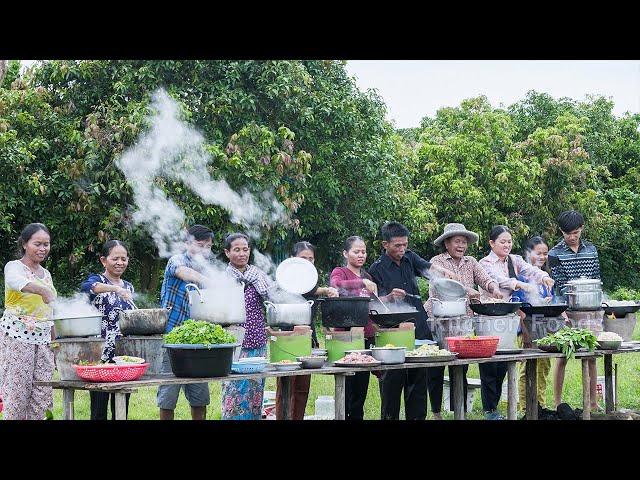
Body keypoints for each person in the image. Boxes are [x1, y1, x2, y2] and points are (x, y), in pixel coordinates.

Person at [368, 221, 456, 421]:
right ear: (385, 244)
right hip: (393, 331)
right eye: (397, 246)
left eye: (405, 245)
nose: (402, 249)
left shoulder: (410, 258)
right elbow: (375, 304)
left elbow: (428, 268)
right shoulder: (377, 268)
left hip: (418, 326)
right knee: (392, 382)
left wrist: (444, 272)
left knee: (418, 379)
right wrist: (390, 297)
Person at [424, 223, 502, 419]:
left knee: (461, 367)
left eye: (464, 242)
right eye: (457, 241)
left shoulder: (470, 262)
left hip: (464, 322)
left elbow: (485, 278)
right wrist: (468, 291)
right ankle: (435, 412)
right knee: (436, 367)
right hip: (439, 321)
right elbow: (441, 287)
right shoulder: (437, 261)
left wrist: (493, 287)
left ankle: (461, 412)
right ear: (447, 243)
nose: (461, 246)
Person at [478, 225, 554, 420]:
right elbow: (497, 280)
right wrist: (519, 284)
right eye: (502, 241)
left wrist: (544, 277)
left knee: (503, 363)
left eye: (509, 241)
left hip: (508, 318)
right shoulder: (485, 263)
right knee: (488, 365)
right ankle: (489, 410)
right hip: (488, 318)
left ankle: (496, 409)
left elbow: (531, 270)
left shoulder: (515, 260)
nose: (507, 245)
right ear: (491, 243)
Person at [275, 241, 338, 420]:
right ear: (294, 259)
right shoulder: (285, 277)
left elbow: (313, 291)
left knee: (302, 388)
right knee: (285, 386)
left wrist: (326, 291)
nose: (308, 262)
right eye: (304, 258)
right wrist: (325, 290)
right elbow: (303, 289)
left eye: (311, 258)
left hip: (309, 337)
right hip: (287, 338)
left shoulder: (312, 278)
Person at [157, 224, 214, 421]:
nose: (204, 250)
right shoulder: (177, 260)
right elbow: (185, 273)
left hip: (197, 339)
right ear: (188, 243)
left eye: (208, 246)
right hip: (172, 336)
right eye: (200, 245)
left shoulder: (206, 267)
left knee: (200, 395)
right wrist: (212, 281)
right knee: (168, 395)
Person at [0, 223, 57, 420]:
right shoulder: (14, 267)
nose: (43, 249)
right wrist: (41, 290)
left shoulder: (46, 274)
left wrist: (56, 341)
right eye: (38, 244)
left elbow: (49, 310)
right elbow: (15, 282)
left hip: (43, 341)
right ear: (25, 244)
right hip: (18, 339)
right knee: (17, 393)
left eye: (46, 244)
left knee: (42, 395)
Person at [547, 210, 601, 410]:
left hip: (590, 310)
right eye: (568, 233)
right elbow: (559, 285)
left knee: (591, 355)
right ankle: (558, 403)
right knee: (563, 355)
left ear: (582, 229)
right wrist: (562, 310)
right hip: (567, 311)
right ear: (561, 231)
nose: (572, 237)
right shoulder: (555, 253)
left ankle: (593, 402)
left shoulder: (592, 250)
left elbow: (596, 278)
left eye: (576, 232)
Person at [221, 232, 274, 420]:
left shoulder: (258, 275)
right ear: (227, 253)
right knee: (234, 390)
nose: (242, 253)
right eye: (236, 250)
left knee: (256, 389)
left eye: (245, 249)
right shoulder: (222, 277)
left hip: (258, 339)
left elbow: (272, 298)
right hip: (235, 343)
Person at [80, 240, 135, 420]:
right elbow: (88, 288)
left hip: (123, 353)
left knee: (121, 406)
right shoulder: (96, 280)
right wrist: (115, 288)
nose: (120, 262)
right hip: (99, 352)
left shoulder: (129, 286)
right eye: (115, 258)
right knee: (99, 407)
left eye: (124, 259)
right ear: (104, 261)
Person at [329, 236, 380, 420]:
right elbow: (335, 286)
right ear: (345, 253)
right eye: (356, 251)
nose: (361, 255)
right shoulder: (340, 272)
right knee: (347, 388)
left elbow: (374, 305)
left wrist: (391, 297)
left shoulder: (367, 276)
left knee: (360, 390)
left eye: (364, 252)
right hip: (346, 340)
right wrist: (360, 283)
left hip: (366, 338)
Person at [515, 236, 554, 411]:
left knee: (544, 366)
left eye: (545, 253)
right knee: (527, 367)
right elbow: (517, 305)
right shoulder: (521, 276)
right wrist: (525, 331)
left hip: (544, 327)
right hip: (526, 327)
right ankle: (525, 407)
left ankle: (541, 405)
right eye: (538, 253)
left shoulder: (545, 277)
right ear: (528, 253)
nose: (542, 257)